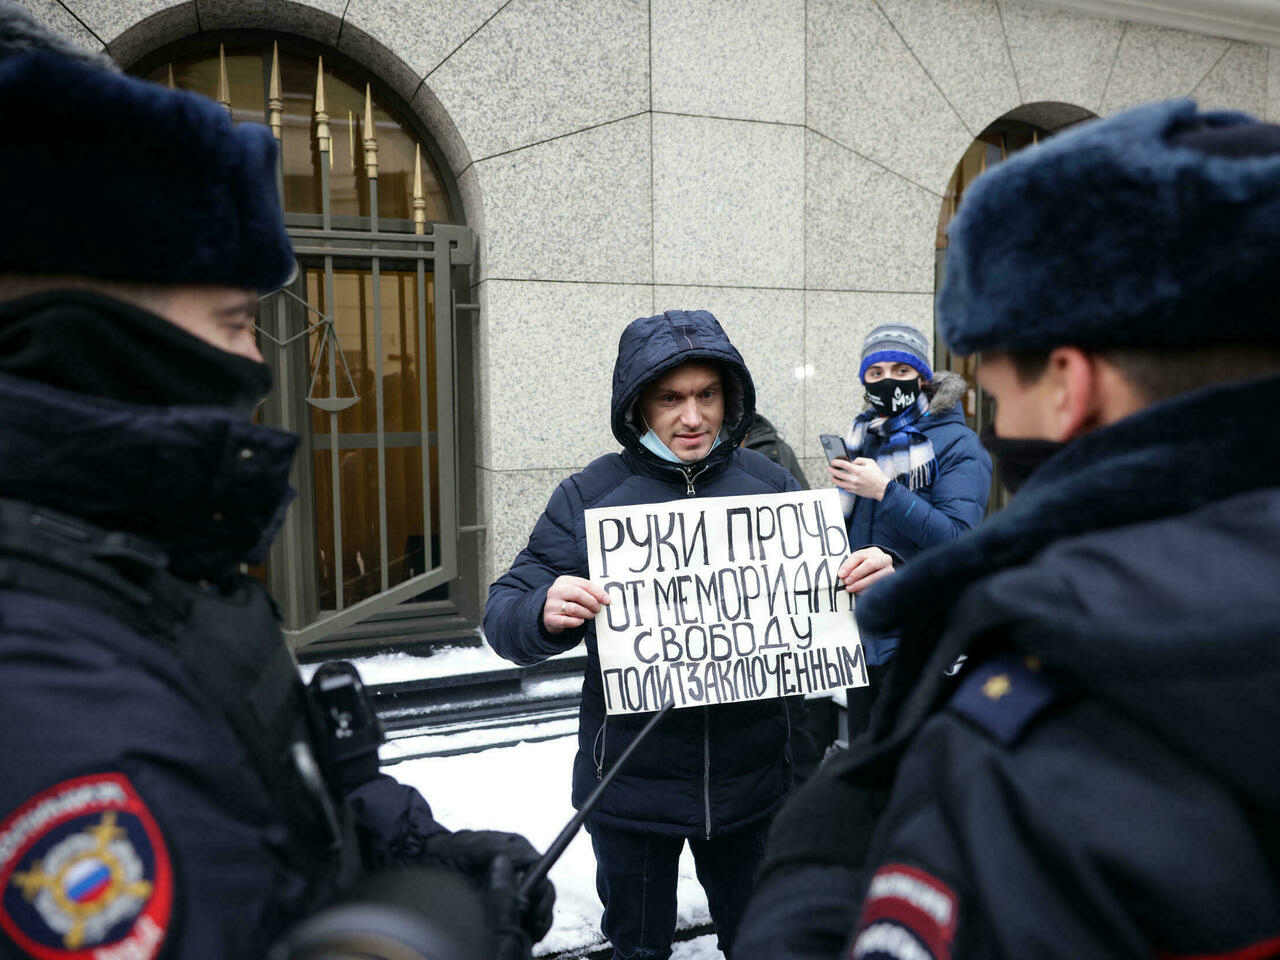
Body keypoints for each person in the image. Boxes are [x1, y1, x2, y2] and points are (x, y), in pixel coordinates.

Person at [0, 30, 551, 960]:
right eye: (235, 321)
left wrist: (407, 847)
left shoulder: (152, 560)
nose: (258, 363)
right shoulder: (44, 679)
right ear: (81, 322)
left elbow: (267, 769)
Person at [735, 98, 1280, 959]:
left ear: (1067, 383)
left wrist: (815, 860)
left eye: (991, 372)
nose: (986, 401)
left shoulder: (1049, 725)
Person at [483, 309, 894, 960]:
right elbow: (502, 612)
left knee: (762, 943)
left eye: (707, 395)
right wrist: (539, 610)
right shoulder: (589, 495)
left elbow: (829, 605)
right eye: (670, 398)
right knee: (637, 950)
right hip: (628, 788)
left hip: (754, 787)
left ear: (730, 397)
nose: (693, 417)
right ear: (637, 405)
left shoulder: (773, 489)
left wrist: (876, 582)